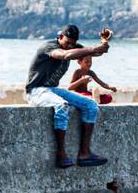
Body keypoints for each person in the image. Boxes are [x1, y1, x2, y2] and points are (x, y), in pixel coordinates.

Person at [24, 25, 111, 169]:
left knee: (90, 106)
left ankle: (85, 153)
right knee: (61, 105)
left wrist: (103, 42)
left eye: (73, 43)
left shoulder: (74, 47)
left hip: (52, 90)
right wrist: (93, 49)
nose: (69, 46)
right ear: (60, 37)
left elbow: (97, 53)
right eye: (67, 42)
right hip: (35, 91)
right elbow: (65, 55)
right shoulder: (49, 47)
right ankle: (61, 154)